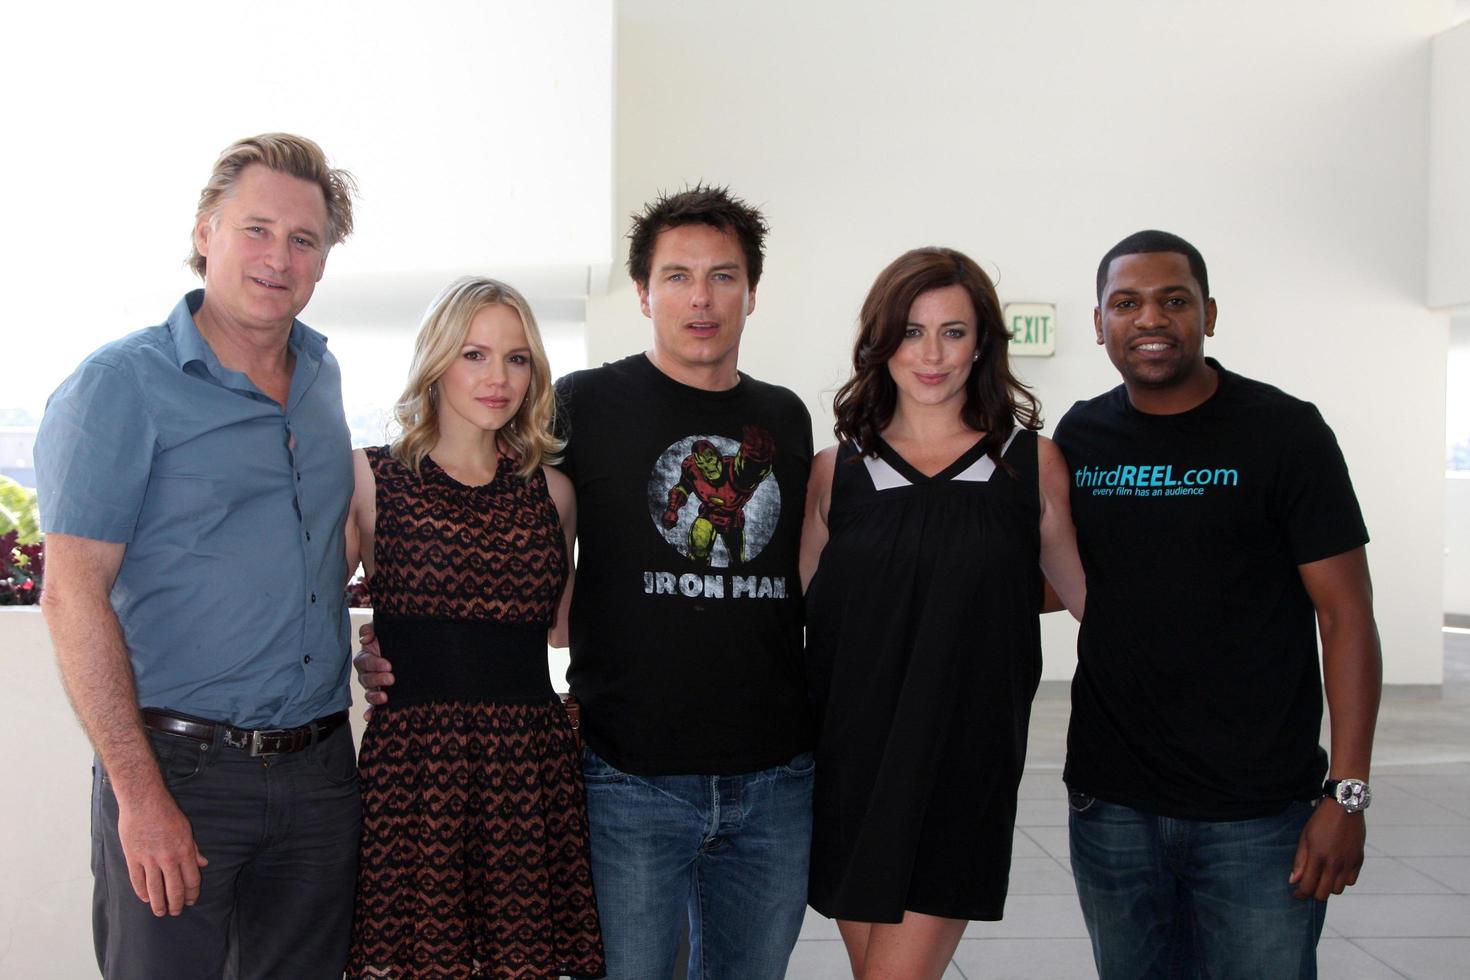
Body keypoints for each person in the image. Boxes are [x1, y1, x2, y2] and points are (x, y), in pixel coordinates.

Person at [356, 185, 815, 978]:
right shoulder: (584, 406)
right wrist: (396, 641)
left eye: (722, 276)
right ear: (642, 292)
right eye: (677, 275)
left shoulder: (787, 417)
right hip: (628, 774)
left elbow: (544, 579)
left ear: (751, 292)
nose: (700, 298)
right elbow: (489, 532)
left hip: (772, 773)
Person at [35, 134, 361, 979]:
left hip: (322, 774)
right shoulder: (120, 385)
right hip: (182, 774)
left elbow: (324, 547)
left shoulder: (324, 380)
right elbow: (72, 596)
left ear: (324, 262)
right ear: (205, 232)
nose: (277, 258)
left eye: (304, 240)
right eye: (256, 229)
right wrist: (140, 798)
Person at [1056, 230, 1383, 979]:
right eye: (1127, 302)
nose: (1150, 319)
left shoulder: (1284, 432)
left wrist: (1349, 793)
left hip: (1259, 814)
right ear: (1099, 321)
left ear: (1208, 312)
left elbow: (1346, 617)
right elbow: (1057, 578)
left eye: (1174, 300)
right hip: (1113, 808)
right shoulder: (1082, 435)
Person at [799, 247, 1086, 978]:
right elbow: (781, 620)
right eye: (912, 331)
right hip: (849, 766)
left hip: (963, 768)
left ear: (984, 341)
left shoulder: (1030, 464)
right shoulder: (839, 470)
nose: (932, 355)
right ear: (880, 339)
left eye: (953, 332)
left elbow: (1097, 608)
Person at [343, 276, 604, 978]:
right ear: (436, 362)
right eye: (475, 355)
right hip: (414, 770)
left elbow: (557, 630)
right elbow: (299, 609)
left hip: (528, 767)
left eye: (517, 358)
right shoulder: (369, 478)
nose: (499, 377)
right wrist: (361, 656)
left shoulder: (554, 492)